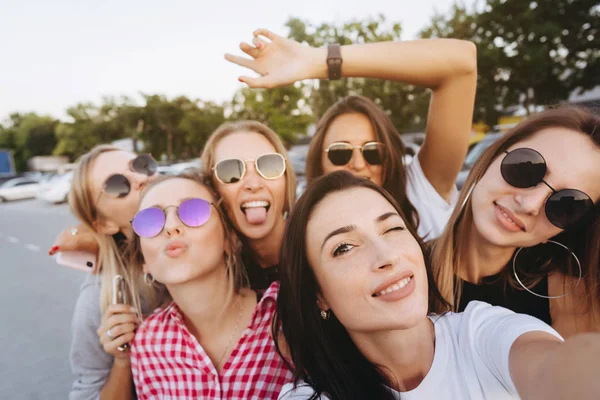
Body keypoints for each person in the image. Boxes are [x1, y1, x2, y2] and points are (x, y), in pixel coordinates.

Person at [274, 171, 600, 400]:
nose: (387, 255)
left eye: (392, 229)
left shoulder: (481, 333)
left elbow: (558, 367)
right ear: (318, 295)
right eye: (344, 247)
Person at [225, 28, 477, 239]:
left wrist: (320, 61)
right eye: (340, 152)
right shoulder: (306, 233)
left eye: (373, 152)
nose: (358, 164)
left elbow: (461, 64)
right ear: (319, 162)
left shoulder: (419, 194)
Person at [431, 106, 600, 338]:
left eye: (567, 204)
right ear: (493, 154)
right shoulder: (400, 271)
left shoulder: (572, 300)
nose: (530, 204)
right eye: (526, 168)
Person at [128, 172, 293, 399]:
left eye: (193, 211)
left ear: (230, 240)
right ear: (144, 261)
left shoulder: (289, 317)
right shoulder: (147, 343)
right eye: (150, 220)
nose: (171, 227)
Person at [65, 145, 163, 400]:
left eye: (142, 165)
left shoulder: (220, 241)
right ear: (104, 223)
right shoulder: (99, 299)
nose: (143, 179)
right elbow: (88, 393)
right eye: (118, 185)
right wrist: (123, 360)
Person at [201, 120, 296, 290]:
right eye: (230, 171)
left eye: (269, 165)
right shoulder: (217, 280)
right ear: (212, 188)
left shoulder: (319, 250)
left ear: (286, 178)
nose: (253, 184)